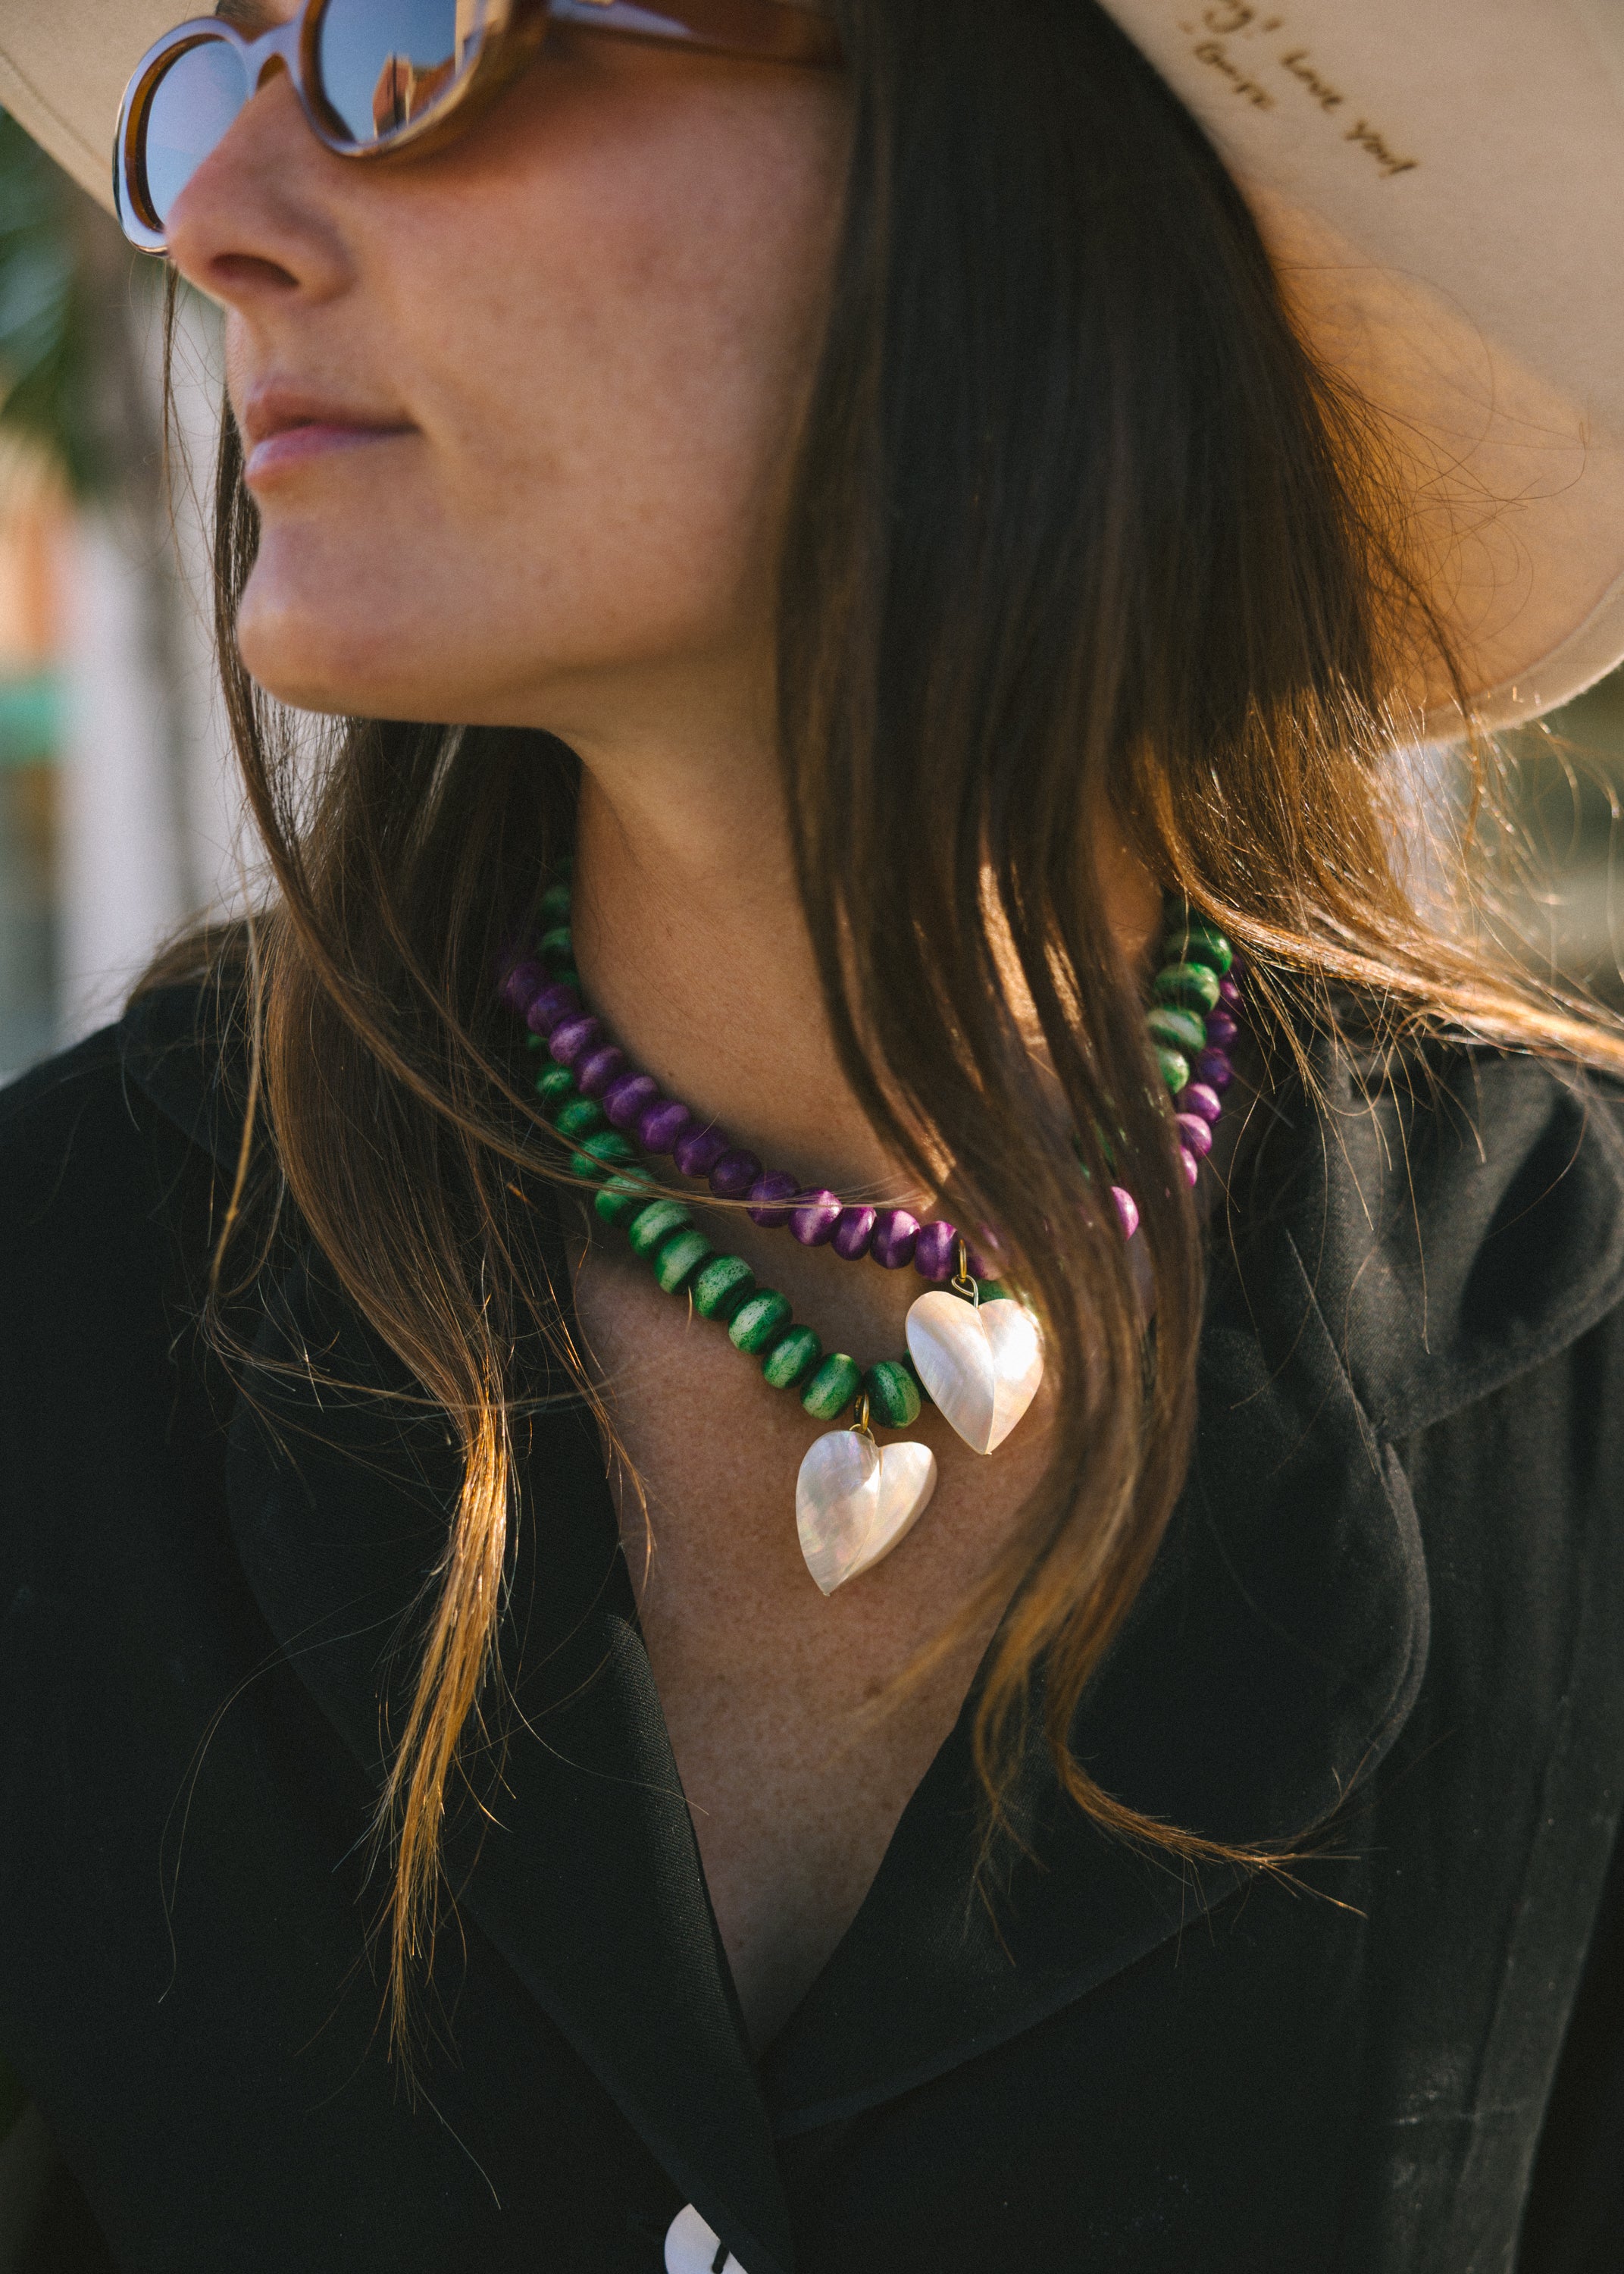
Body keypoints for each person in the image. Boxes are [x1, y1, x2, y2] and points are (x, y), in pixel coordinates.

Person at [2, 0, 1624, 2266]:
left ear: (1016, 148)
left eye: (408, 39)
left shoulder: (1576, 1370)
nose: (221, 218)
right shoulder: (58, 1315)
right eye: (211, 77)